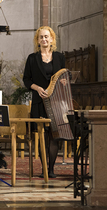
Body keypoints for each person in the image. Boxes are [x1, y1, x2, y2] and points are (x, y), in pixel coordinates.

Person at [23, 26, 65, 178]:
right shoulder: (32, 58)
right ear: (37, 40)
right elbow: (26, 80)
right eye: (41, 37)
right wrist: (37, 88)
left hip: (56, 102)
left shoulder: (60, 57)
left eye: (46, 36)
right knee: (42, 135)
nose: (44, 39)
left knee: (54, 135)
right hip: (39, 102)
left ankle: (52, 169)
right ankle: (44, 169)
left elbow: (64, 76)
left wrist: (65, 82)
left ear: (52, 39)